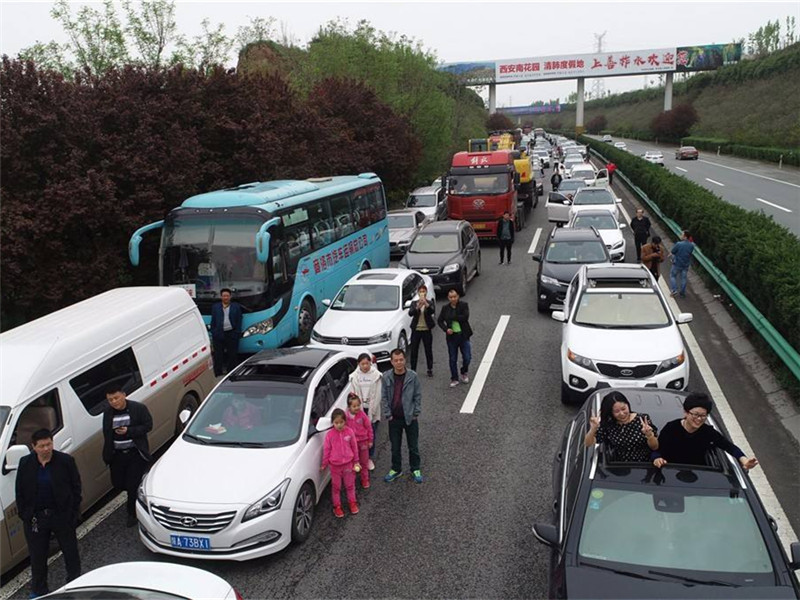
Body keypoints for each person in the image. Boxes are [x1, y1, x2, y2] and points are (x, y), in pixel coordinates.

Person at [15, 429, 82, 598]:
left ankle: (75, 585)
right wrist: (26, 514)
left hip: (61, 515)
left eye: (49, 444)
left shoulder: (65, 461)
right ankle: (39, 590)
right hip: (36, 517)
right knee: (37, 557)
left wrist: (73, 513)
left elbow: (76, 487)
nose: (46, 449)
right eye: (42, 446)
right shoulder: (25, 463)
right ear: (34, 447)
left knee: (71, 553)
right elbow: (20, 491)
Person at [653, 393, 758, 470]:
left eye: (703, 416)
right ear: (686, 412)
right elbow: (656, 449)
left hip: (698, 476)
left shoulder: (708, 432)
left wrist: (744, 460)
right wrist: (657, 459)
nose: (699, 419)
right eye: (696, 415)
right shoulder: (671, 427)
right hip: (669, 472)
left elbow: (729, 447)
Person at [102, 385, 153, 528]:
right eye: (110, 400)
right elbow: (107, 434)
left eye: (116, 398)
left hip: (134, 453)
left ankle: (132, 513)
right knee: (117, 483)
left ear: (124, 395)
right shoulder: (108, 413)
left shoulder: (138, 408)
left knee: (131, 486)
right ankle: (136, 491)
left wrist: (129, 431)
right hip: (117, 455)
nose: (114, 402)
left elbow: (148, 426)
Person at [380, 348, 423, 483]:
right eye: (396, 360)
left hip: (410, 418)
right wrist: (388, 414)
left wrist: (416, 413)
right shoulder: (386, 377)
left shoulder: (413, 376)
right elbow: (384, 397)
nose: (399, 363)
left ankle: (415, 468)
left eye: (401, 360)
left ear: (405, 360)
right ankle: (396, 469)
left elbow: (418, 396)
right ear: (391, 362)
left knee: (413, 446)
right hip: (394, 418)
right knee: (395, 447)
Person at [584, 391, 658, 462]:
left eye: (623, 409)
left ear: (628, 405)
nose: (622, 413)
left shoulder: (642, 420)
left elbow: (655, 447)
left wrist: (649, 435)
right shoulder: (609, 425)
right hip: (619, 468)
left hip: (644, 466)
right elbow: (588, 443)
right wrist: (593, 429)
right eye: (617, 411)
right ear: (611, 413)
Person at [320, 408, 360, 518]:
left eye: (341, 422)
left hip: (348, 464)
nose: (339, 425)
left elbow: (354, 447)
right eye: (336, 423)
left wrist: (356, 461)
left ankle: (352, 502)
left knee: (350, 485)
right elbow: (327, 450)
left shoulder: (349, 432)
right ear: (332, 423)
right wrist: (324, 463)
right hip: (335, 466)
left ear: (345, 421)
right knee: (336, 487)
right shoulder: (330, 435)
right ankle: (337, 506)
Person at [348, 353, 382, 470]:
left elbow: (378, 395)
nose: (365, 366)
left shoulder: (377, 376)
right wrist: (360, 412)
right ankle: (359, 458)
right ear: (358, 364)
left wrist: (371, 412)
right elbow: (353, 394)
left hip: (373, 409)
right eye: (362, 364)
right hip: (359, 409)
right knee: (359, 435)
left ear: (370, 363)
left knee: (371, 434)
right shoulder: (354, 377)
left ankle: (369, 457)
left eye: (367, 363)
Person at [438, 288, 473, 387]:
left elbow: (465, 317)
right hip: (452, 337)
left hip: (463, 335)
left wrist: (452, 316)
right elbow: (440, 320)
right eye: (451, 297)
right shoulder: (445, 308)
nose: (453, 299)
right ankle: (454, 378)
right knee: (452, 359)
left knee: (467, 357)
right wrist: (446, 329)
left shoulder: (463, 305)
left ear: (458, 296)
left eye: (454, 297)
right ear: (448, 298)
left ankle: (464, 371)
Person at [210, 288, 243, 376]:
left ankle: (231, 373)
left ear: (230, 297)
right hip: (219, 334)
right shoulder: (215, 307)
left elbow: (239, 320)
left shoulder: (236, 306)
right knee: (218, 355)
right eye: (224, 296)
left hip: (231, 334)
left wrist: (237, 332)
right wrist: (214, 332)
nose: (226, 298)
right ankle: (218, 373)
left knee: (232, 355)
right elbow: (213, 321)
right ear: (221, 297)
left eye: (227, 296)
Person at [346, 394, 374, 489]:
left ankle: (365, 479)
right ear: (349, 407)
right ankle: (351, 480)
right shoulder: (345, 417)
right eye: (354, 406)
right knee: (352, 462)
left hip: (363, 442)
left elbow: (369, 427)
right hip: (351, 444)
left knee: (364, 461)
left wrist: (370, 440)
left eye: (358, 405)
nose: (357, 408)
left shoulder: (362, 415)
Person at [408, 285, 435, 377]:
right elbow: (410, 313)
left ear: (426, 293)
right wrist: (418, 307)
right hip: (416, 330)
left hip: (426, 330)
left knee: (428, 350)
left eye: (424, 291)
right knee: (414, 350)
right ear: (418, 293)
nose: (422, 293)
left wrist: (426, 305)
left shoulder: (430, 302)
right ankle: (413, 369)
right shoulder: (414, 303)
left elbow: (432, 311)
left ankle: (430, 368)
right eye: (420, 291)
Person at [670, 230, 696, 298]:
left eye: (682, 235)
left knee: (673, 276)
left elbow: (673, 251)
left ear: (685, 237)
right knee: (683, 278)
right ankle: (682, 292)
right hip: (685, 264)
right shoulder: (691, 245)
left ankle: (674, 289)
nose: (681, 235)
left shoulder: (679, 244)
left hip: (677, 263)